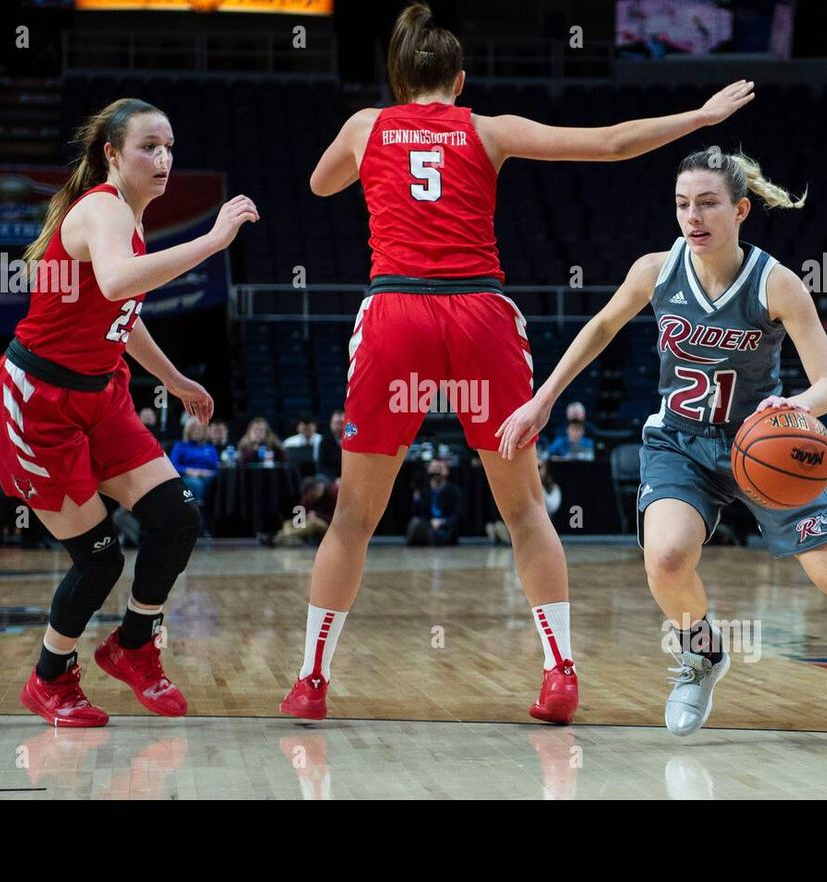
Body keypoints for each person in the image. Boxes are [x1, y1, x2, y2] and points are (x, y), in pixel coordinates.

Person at [278, 2, 755, 725]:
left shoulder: (366, 126)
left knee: (353, 515)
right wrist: (697, 117)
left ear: (398, 78)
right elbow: (612, 143)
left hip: (397, 314)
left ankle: (312, 680)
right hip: (479, 315)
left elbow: (317, 185)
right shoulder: (489, 130)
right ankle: (560, 673)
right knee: (526, 507)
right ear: (462, 80)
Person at [496, 148, 827, 751]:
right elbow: (601, 327)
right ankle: (703, 654)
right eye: (683, 204)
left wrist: (795, 408)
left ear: (741, 209)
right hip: (680, 442)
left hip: (762, 447)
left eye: (708, 203)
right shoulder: (655, 270)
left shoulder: (777, 282)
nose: (694, 215)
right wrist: (545, 397)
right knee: (665, 556)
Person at [0, 97, 258, 727]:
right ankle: (49, 678)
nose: (162, 159)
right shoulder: (102, 209)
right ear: (111, 154)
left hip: (100, 394)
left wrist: (175, 377)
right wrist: (212, 241)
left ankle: (132, 644)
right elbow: (115, 283)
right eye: (147, 148)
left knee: (177, 516)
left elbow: (120, 316)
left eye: (169, 148)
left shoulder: (127, 218)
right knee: (101, 555)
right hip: (38, 403)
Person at [169, 417, 220, 517]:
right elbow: (173, 466)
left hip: (208, 477)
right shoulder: (180, 446)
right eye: (193, 429)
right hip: (187, 476)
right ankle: (198, 514)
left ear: (204, 431)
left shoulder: (210, 448)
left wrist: (208, 473)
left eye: (200, 429)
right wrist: (189, 471)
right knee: (196, 483)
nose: (197, 431)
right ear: (188, 431)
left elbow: (216, 467)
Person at [407, 458, 462, 545]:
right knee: (415, 523)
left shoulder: (453, 491)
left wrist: (442, 522)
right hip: (427, 526)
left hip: (445, 529)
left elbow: (457, 515)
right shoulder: (424, 490)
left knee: (434, 535)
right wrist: (417, 498)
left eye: (439, 468)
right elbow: (417, 513)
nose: (436, 471)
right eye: (433, 468)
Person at [318, 409, 345, 479]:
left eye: (342, 423)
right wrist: (335, 479)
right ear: (330, 424)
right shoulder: (324, 442)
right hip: (330, 478)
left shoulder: (353, 442)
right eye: (336, 423)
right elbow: (322, 466)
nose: (339, 427)